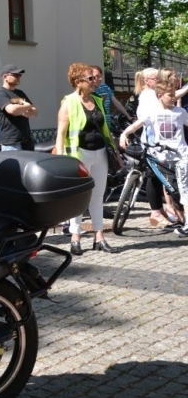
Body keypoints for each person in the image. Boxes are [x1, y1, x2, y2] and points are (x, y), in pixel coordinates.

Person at [55, 63, 120, 255]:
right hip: (78, 154)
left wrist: (115, 152)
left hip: (100, 153)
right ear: (78, 81)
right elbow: (61, 133)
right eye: (90, 79)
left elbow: (105, 129)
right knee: (79, 197)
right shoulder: (69, 103)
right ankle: (75, 237)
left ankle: (99, 237)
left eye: (94, 78)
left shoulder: (98, 100)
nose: (94, 82)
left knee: (98, 196)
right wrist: (60, 158)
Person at [119, 79, 187, 231]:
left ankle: (185, 222)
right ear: (160, 96)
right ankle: (180, 219)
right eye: (170, 95)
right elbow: (137, 124)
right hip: (161, 156)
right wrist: (124, 134)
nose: (174, 97)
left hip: (180, 155)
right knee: (172, 189)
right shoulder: (153, 112)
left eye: (174, 94)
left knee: (181, 189)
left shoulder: (180, 112)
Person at [0, 67, 37, 151]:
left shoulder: (20, 93)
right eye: (15, 75)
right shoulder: (1, 93)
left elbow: (34, 112)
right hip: (11, 143)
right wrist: (27, 106)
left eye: (19, 75)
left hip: (26, 141)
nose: (18, 77)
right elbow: (12, 110)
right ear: (5, 76)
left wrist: (21, 110)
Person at [91, 65, 131, 134]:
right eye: (97, 76)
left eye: (100, 76)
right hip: (95, 128)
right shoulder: (88, 92)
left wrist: (128, 116)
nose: (100, 79)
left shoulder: (105, 88)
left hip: (107, 125)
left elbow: (117, 103)